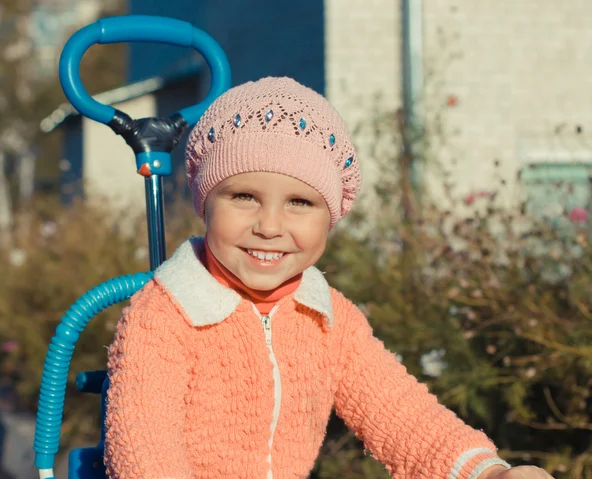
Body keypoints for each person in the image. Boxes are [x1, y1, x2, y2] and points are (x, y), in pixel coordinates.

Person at [104, 77, 554, 479]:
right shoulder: (165, 316)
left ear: (331, 217)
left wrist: (486, 471)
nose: (270, 225)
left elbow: (402, 415)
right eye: (244, 196)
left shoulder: (328, 319)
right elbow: (144, 448)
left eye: (300, 202)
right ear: (206, 203)